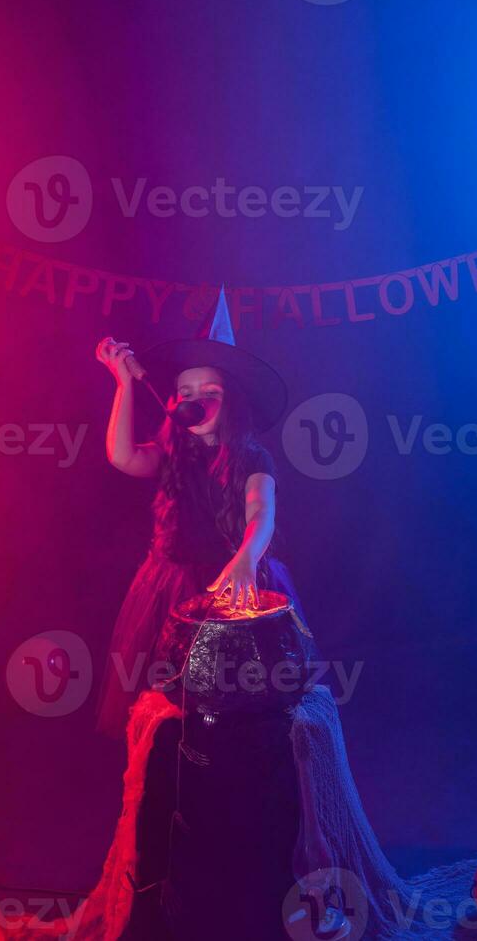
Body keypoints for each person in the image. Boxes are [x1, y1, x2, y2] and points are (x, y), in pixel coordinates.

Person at [93, 287, 318, 742]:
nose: (195, 398)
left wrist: (246, 557)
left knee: (241, 692)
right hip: (173, 587)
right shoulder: (170, 452)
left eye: (209, 391)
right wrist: (124, 384)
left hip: (239, 581)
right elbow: (121, 457)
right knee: (177, 700)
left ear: (231, 401)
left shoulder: (254, 459)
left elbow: (262, 512)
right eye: (185, 391)